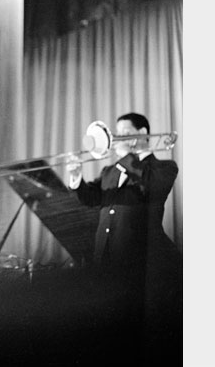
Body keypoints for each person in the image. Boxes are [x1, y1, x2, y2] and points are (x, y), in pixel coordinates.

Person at [65, 112, 179, 278]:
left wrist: (127, 157)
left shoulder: (164, 167)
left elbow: (153, 185)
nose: (117, 138)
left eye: (124, 133)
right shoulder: (109, 171)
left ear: (141, 133)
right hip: (104, 258)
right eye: (116, 133)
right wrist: (75, 176)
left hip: (142, 260)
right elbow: (89, 198)